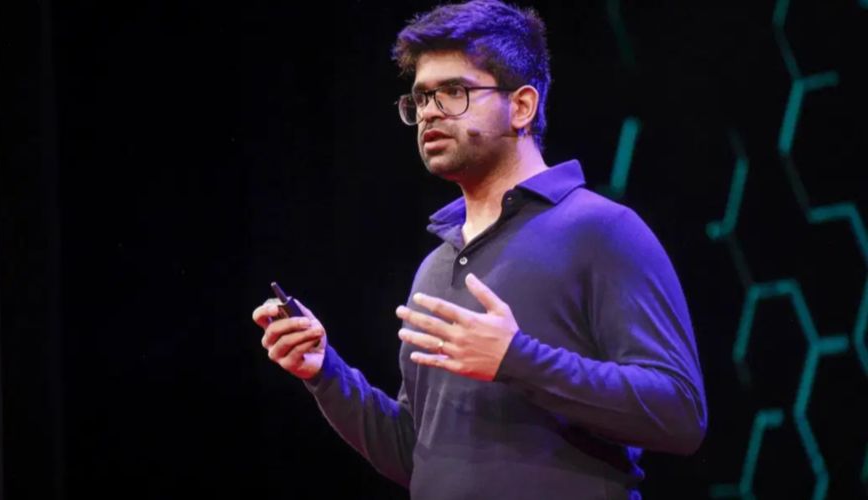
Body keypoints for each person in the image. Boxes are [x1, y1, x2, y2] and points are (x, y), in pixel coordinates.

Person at [251, 1, 707, 498]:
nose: (430, 112)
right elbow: (415, 454)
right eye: (421, 97)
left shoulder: (602, 230)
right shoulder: (435, 267)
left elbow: (681, 414)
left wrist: (516, 358)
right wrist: (325, 372)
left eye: (455, 92)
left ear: (522, 106)